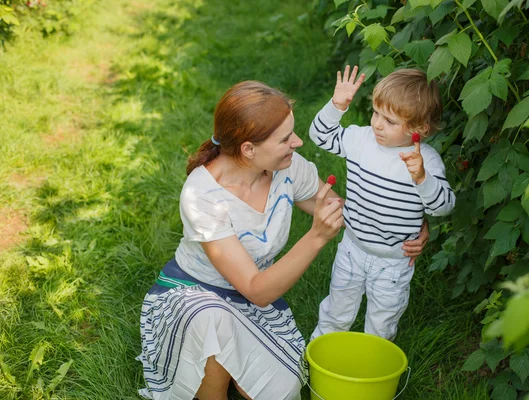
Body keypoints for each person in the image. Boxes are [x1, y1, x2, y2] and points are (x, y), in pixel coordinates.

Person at [137, 80, 430, 400]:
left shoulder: (288, 169)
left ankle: (230, 365)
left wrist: (409, 224)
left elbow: (342, 212)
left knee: (285, 391)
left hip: (249, 305)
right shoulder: (202, 195)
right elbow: (257, 290)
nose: (299, 142)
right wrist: (316, 237)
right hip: (193, 295)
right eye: (286, 138)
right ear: (249, 149)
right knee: (212, 319)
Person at [310, 66, 455, 342]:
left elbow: (443, 207)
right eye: (376, 113)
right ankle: (317, 359)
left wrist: (422, 178)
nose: (377, 124)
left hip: (393, 263)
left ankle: (371, 374)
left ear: (419, 129)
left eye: (389, 120)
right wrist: (336, 105)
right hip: (352, 249)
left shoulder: (425, 161)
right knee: (335, 313)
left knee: (381, 326)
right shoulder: (361, 140)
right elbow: (321, 137)